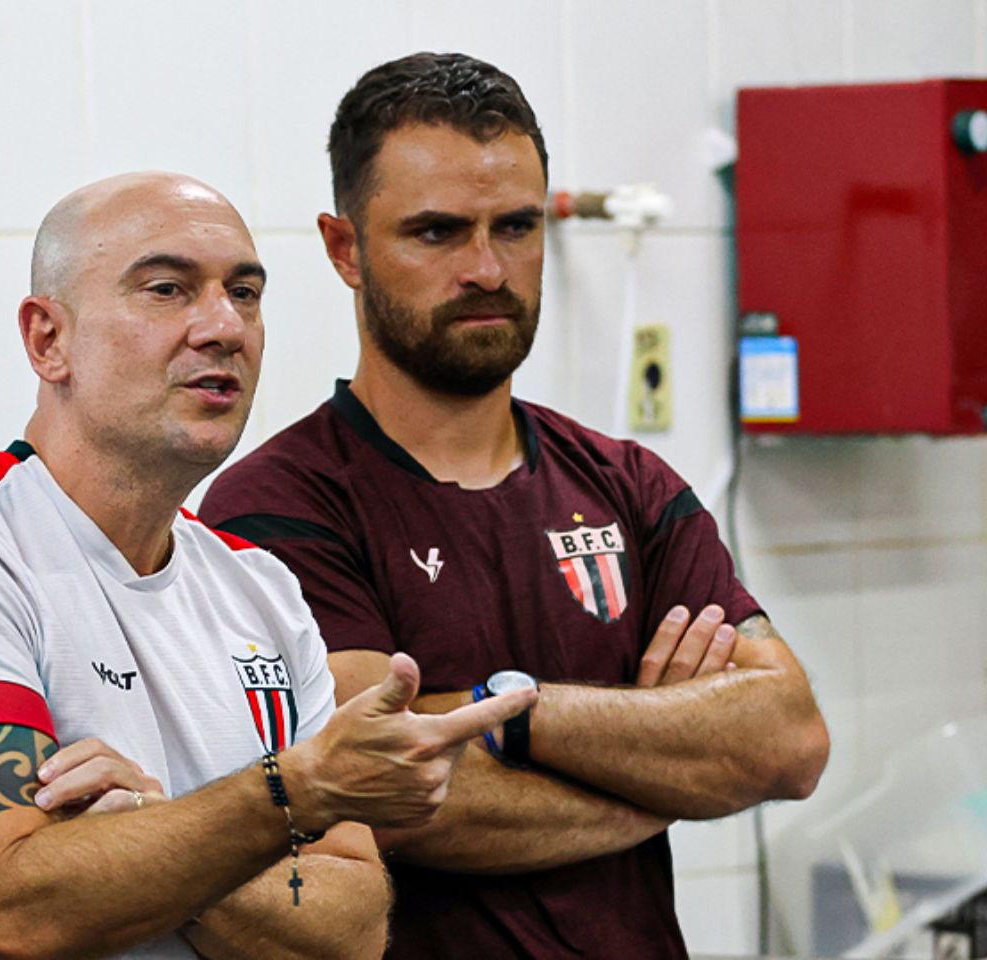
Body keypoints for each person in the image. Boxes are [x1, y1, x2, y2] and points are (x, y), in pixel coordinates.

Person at [0, 171, 537, 960]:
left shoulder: (260, 591)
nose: (225, 326)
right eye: (166, 289)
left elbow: (350, 929)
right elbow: (19, 906)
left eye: (246, 293)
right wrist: (289, 796)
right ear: (49, 340)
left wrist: (155, 831)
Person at [199, 52, 831, 959]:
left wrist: (515, 714)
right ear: (346, 249)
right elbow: (404, 799)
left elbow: (789, 740)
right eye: (437, 233)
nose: (487, 268)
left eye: (518, 226)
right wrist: (671, 766)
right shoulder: (276, 510)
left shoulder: (629, 484)